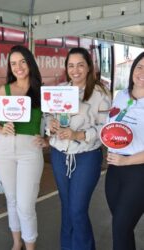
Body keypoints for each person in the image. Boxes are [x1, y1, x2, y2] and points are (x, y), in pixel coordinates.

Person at [47, 47, 111, 250]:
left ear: (89, 67)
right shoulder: (60, 90)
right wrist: (51, 125)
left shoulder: (100, 93)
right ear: (66, 68)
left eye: (80, 65)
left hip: (86, 157)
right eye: (71, 65)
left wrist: (78, 135)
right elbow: (47, 116)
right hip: (59, 156)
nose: (75, 70)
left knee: (77, 210)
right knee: (67, 209)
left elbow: (105, 128)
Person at [0, 45, 47, 250]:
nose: (18, 67)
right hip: (4, 149)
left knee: (25, 204)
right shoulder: (4, 90)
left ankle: (30, 246)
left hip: (29, 150)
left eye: (22, 61)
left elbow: (57, 120)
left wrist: (47, 140)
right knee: (12, 199)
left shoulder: (41, 91)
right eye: (13, 63)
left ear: (30, 62)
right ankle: (16, 242)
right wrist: (1, 128)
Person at [105, 52, 144, 250]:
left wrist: (126, 161)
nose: (142, 72)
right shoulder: (121, 95)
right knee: (122, 226)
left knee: (120, 227)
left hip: (138, 171)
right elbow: (111, 124)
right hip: (114, 168)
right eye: (139, 66)